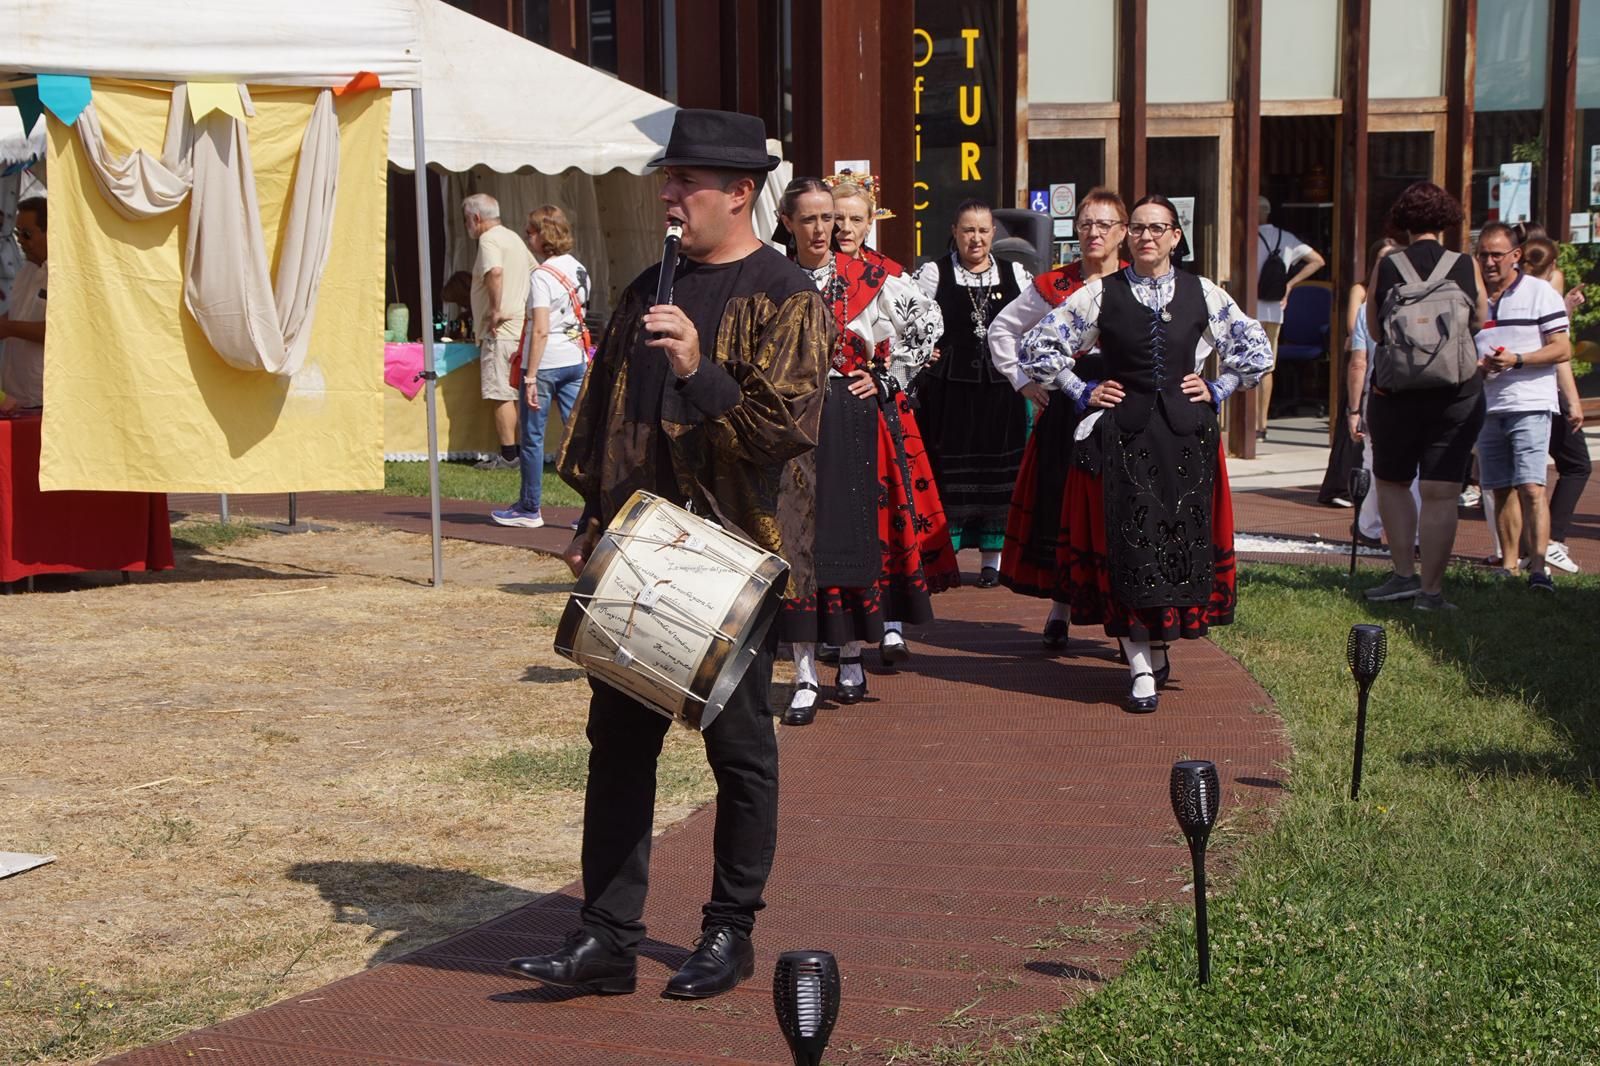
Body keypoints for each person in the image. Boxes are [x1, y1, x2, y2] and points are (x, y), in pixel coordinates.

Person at [506, 109, 828, 1001]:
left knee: (739, 750)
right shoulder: (651, 284)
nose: (669, 193)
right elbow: (612, 411)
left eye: (687, 180)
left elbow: (784, 432)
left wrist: (699, 366)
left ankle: (730, 932)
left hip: (733, 557)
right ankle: (606, 938)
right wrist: (590, 518)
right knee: (618, 742)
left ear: (739, 193)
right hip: (643, 548)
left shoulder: (788, 294)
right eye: (668, 177)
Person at [1020, 194, 1271, 712]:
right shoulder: (1100, 294)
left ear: (1177, 237)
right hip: (1125, 439)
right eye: (1137, 228)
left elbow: (1256, 349)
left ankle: (1157, 643)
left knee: (1173, 548)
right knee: (1130, 549)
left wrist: (1219, 387)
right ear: (1127, 236)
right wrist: (1079, 389)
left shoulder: (1204, 292)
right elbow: (1037, 345)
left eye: (1158, 228)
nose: (1147, 237)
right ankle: (1137, 663)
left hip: (1184, 439)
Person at [773, 178, 952, 722]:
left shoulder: (871, 277)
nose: (825, 229)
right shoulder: (770, 277)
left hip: (852, 423)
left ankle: (851, 657)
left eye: (831, 218)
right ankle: (804, 674)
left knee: (853, 541)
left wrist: (887, 377)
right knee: (798, 547)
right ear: (788, 223)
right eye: (811, 219)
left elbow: (929, 326)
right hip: (791, 427)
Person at [825, 174, 959, 665]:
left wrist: (888, 375)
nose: (844, 227)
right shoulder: (805, 269)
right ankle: (833, 614)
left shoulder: (888, 274)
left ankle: (893, 620)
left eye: (855, 219)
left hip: (879, 406)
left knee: (890, 507)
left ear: (870, 223)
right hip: (822, 407)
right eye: (836, 218)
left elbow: (928, 328)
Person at [988, 187, 1128, 649]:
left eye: (1104, 224)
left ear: (1123, 233)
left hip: (1120, 403)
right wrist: (1024, 382)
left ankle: (1120, 611)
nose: (1094, 232)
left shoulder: (1138, 283)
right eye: (1086, 223)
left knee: (1115, 509)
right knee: (1060, 505)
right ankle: (1060, 607)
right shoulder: (1054, 285)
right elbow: (1003, 328)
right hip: (1066, 405)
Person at [1362, 181, 1489, 610]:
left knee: (1394, 483)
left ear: (1402, 221)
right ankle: (1431, 594)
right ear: (1446, 220)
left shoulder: (1389, 265)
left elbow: (1376, 331)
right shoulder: (1465, 264)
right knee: (1441, 491)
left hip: (1396, 392)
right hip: (1456, 392)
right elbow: (1480, 320)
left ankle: (1402, 575)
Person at [914, 200, 1034, 586]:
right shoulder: (934, 274)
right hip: (951, 392)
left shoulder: (1015, 274)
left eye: (983, 230)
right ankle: (942, 556)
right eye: (968, 230)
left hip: (1001, 391)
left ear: (993, 233)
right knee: (948, 471)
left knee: (1000, 474)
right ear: (954, 231)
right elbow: (908, 320)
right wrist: (922, 350)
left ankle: (992, 560)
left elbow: (1039, 323)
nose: (976, 238)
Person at [1470, 222, 1571, 592]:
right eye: (1483, 254)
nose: (1490, 262)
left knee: (1531, 486)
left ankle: (1539, 569)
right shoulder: (1475, 297)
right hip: (1489, 403)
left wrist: (1518, 359)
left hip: (1529, 402)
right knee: (1499, 488)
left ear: (1516, 256)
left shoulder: (1540, 293)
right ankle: (1508, 565)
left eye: (1497, 254)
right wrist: (1478, 367)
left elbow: (1562, 348)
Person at [492, 206, 592, 530]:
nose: (527, 235)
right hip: (575, 359)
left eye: (531, 231)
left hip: (546, 363)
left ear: (544, 234)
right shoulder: (579, 269)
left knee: (533, 437)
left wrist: (530, 375)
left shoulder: (542, 275)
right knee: (578, 436)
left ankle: (529, 506)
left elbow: (540, 328)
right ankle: (595, 507)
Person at [1516, 237, 1587, 574]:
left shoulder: (1511, 295)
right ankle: (1548, 543)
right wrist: (1572, 400)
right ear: (1551, 270)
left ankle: (1523, 550)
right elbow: (1559, 353)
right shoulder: (1542, 295)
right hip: (1545, 392)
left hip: (1522, 394)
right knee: (1574, 465)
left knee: (1518, 480)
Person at [1344, 238, 1420, 548]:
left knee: (1375, 462)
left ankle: (1369, 528)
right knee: (1414, 468)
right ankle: (1413, 536)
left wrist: (1353, 410)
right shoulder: (1424, 302)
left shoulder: (1367, 309)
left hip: (1380, 395)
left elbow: (1358, 363)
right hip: (1421, 395)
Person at [463, 193, 535, 471]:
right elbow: (536, 271)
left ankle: (508, 456)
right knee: (515, 391)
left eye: (467, 220)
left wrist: (496, 309)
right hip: (520, 327)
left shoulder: (489, 239)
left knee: (502, 393)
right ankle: (518, 453)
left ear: (476, 218)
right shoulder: (513, 237)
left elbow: (494, 272)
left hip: (501, 329)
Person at [1254, 197, 1326, 438]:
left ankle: (1245, 422)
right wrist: (1290, 283)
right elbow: (1318, 260)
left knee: (1244, 365)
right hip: (1274, 309)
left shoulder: (1244, 237)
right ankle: (1260, 425)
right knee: (1266, 368)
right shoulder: (1286, 238)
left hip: (1246, 308)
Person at [0, 197, 47, 411]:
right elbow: (18, 314)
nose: (20, 240)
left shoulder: (69, 275)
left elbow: (59, 332)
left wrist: (8, 328)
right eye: (18, 233)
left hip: (43, 397)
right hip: (15, 394)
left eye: (27, 234)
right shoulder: (25, 271)